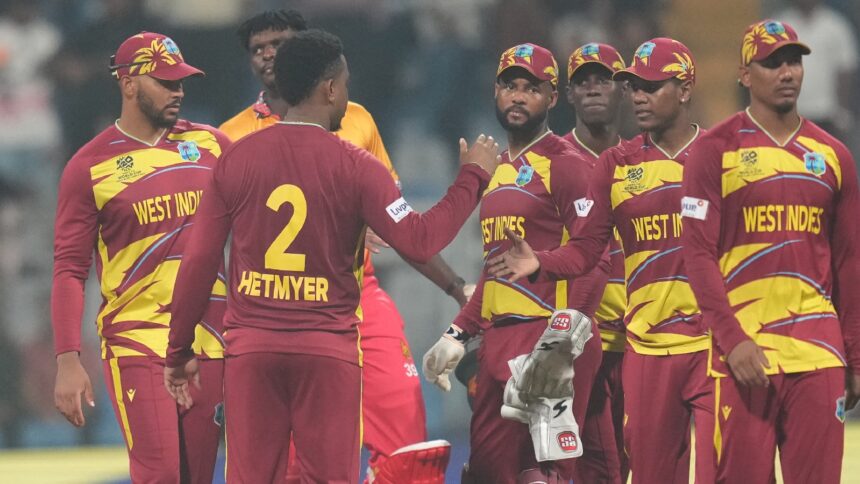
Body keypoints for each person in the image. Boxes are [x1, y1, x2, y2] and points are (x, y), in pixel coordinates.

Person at [163, 29, 499, 483]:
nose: (346, 96)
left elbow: (199, 262)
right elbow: (419, 240)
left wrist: (178, 349)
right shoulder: (357, 166)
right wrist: (473, 177)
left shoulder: (237, 159)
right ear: (329, 88)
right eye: (345, 84)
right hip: (326, 351)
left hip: (253, 351)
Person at [486, 38, 716, 483]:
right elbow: (588, 250)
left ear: (684, 89)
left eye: (646, 86)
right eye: (636, 87)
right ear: (567, 94)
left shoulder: (718, 155)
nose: (639, 96)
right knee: (598, 467)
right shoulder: (609, 164)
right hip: (617, 344)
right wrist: (541, 265)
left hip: (705, 345)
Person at [681, 19, 860, 483]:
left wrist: (855, 356)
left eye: (794, 62)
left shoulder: (834, 155)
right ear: (744, 75)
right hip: (745, 356)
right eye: (772, 63)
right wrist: (732, 340)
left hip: (818, 354)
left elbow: (849, 262)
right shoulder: (712, 152)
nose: (787, 73)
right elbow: (697, 255)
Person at [424, 42, 607, 483]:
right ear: (495, 92)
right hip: (498, 342)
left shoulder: (568, 164)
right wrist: (457, 332)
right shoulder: (496, 168)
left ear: (552, 98)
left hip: (550, 335)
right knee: (487, 473)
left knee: (545, 474)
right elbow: (496, 267)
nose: (519, 97)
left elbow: (596, 257)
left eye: (532, 88)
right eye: (510, 86)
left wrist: (562, 342)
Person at [51, 32, 229, 483]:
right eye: (166, 82)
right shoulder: (88, 167)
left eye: (182, 82)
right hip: (138, 340)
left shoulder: (212, 145)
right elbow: (71, 269)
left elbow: (269, 206)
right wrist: (68, 361)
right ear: (129, 84)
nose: (179, 92)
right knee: (160, 475)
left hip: (209, 340)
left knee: (197, 477)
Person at [562, 42, 629, 483]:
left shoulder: (643, 159)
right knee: (584, 467)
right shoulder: (550, 161)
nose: (592, 89)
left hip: (640, 338)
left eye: (602, 79)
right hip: (578, 343)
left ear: (622, 88)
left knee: (628, 463)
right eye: (582, 81)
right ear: (568, 95)